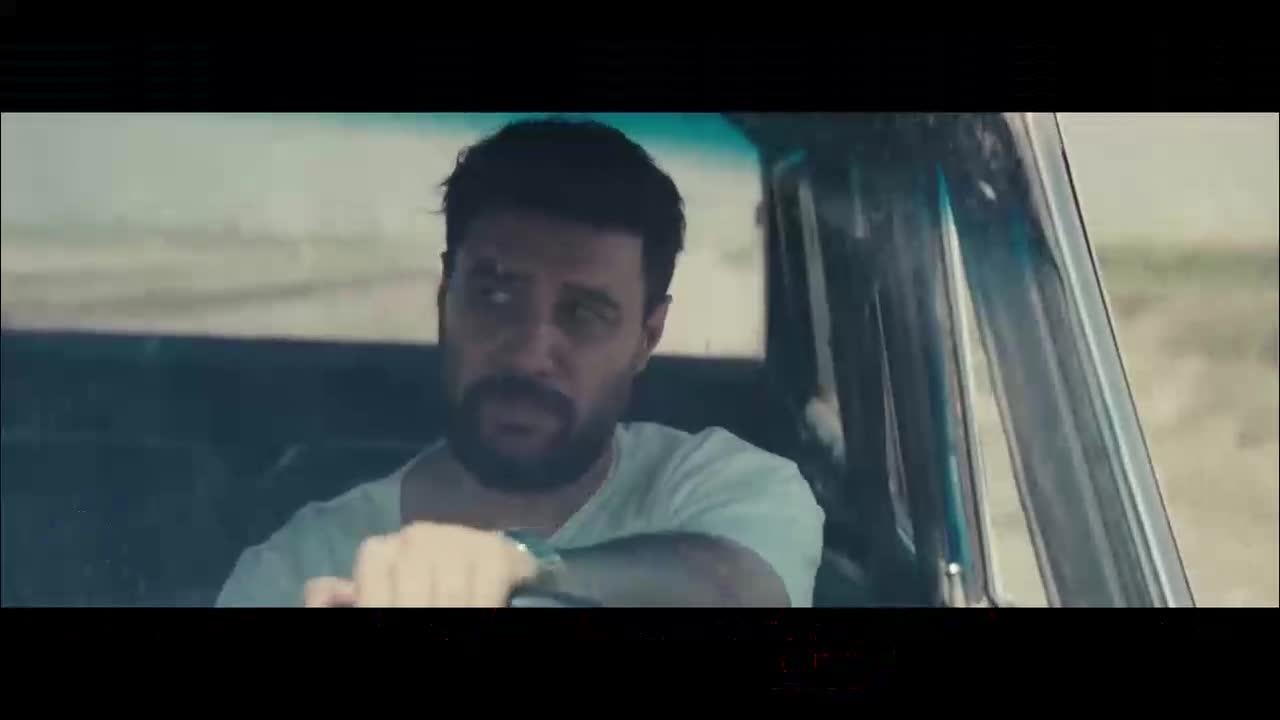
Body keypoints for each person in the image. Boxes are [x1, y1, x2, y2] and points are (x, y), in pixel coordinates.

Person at [215, 117, 825, 608]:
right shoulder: (302, 564)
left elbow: (742, 588)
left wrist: (522, 566)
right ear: (445, 300)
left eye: (584, 313)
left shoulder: (720, 488)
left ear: (647, 337)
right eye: (496, 296)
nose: (531, 353)